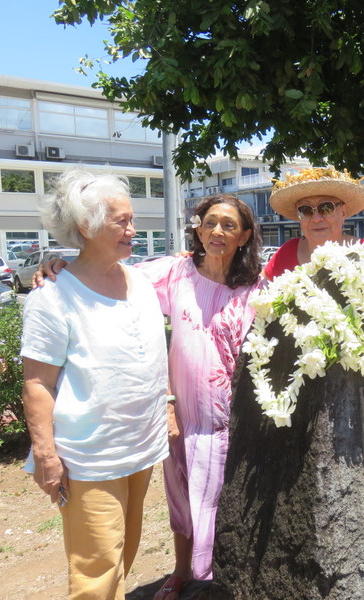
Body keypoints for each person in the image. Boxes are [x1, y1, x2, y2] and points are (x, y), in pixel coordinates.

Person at [34, 194, 264, 600]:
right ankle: (181, 573)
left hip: (232, 422)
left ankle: (215, 582)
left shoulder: (256, 289)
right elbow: (105, 272)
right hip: (182, 420)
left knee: (221, 509)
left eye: (229, 225)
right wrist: (61, 266)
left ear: (245, 236)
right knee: (182, 505)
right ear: (197, 228)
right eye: (210, 222)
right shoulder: (172, 273)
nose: (217, 232)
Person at [21, 170, 170, 599]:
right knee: (96, 572)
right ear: (86, 227)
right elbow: (37, 382)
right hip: (90, 456)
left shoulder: (139, 280)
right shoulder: (51, 296)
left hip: (140, 447)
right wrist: (46, 454)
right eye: (121, 221)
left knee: (123, 555)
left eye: (131, 219)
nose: (133, 229)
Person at [264, 166, 364, 279]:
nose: (316, 218)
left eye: (326, 208)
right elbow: (257, 296)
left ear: (343, 212)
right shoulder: (286, 252)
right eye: (305, 210)